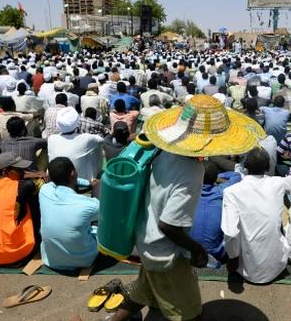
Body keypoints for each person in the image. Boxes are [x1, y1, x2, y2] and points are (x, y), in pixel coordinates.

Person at [109, 94, 263, 321]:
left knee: (142, 293)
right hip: (166, 255)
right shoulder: (191, 171)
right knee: (189, 313)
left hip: (146, 239)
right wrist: (197, 249)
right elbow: (169, 225)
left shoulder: (162, 150)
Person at [222, 148, 288, 283]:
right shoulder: (278, 183)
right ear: (269, 166)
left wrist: (233, 258)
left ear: (245, 166)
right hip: (278, 267)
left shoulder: (231, 192)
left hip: (248, 271)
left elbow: (230, 233)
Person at [39, 157, 100, 270]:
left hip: (51, 260)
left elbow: (57, 181)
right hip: (84, 260)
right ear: (73, 173)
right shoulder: (90, 205)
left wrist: (88, 183)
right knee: (97, 221)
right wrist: (96, 186)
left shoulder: (44, 191)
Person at [189, 161, 241, 264]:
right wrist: (216, 176)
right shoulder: (221, 191)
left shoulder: (188, 191)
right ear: (214, 178)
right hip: (217, 254)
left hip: (190, 251)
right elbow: (236, 175)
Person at [48, 108, 104, 182]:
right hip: (80, 182)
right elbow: (101, 140)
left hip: (55, 180)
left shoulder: (51, 138)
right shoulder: (86, 139)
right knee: (97, 149)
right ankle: (92, 178)